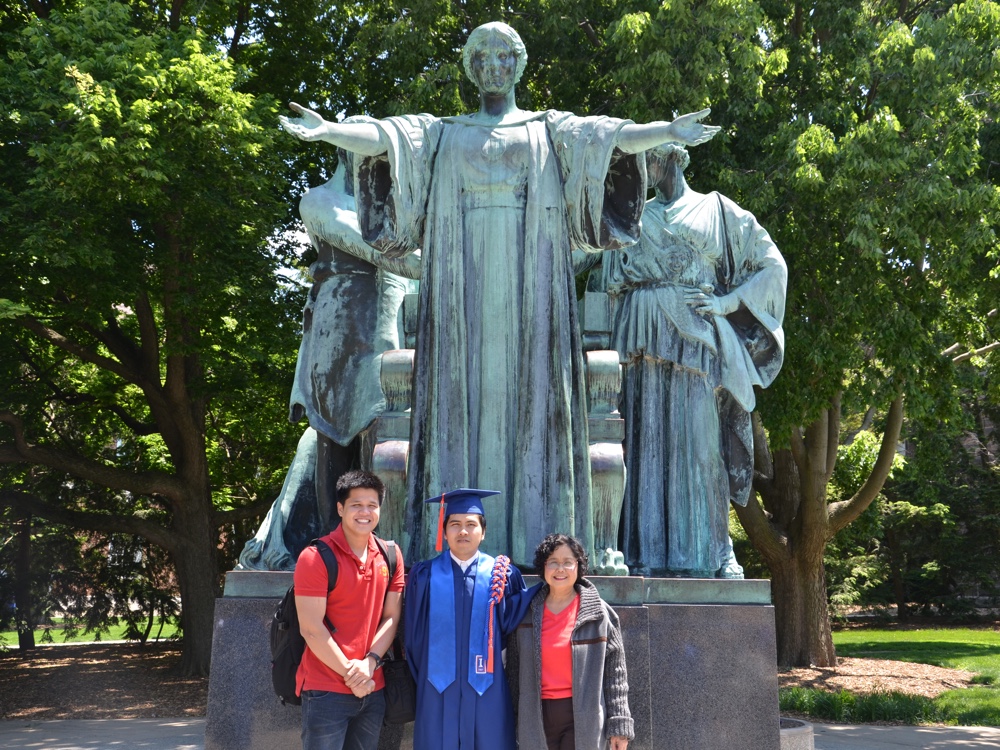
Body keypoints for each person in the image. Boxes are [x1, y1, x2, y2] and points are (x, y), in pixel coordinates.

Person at [279, 21, 721, 566]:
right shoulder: (443, 133)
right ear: (471, 67)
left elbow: (608, 137)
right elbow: (386, 138)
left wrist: (665, 129)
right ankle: (453, 546)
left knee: (534, 400)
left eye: (503, 56)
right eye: (482, 56)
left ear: (518, 64)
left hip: (530, 286)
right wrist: (329, 131)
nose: (493, 65)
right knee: (460, 398)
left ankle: (540, 541)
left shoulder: (548, 130)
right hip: (462, 287)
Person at [601, 144, 786, 576]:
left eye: (648, 160)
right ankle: (644, 554)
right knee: (645, 445)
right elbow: (591, 265)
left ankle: (714, 552)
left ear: (672, 160)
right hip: (640, 336)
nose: (641, 169)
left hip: (696, 339)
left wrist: (728, 303)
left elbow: (772, 265)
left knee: (700, 445)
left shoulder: (717, 211)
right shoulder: (631, 217)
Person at [238, 134, 420, 571]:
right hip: (338, 322)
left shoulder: (394, 207)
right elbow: (379, 249)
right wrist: (430, 257)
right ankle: (328, 548)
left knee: (385, 427)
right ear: (347, 152)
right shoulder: (319, 201)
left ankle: (383, 551)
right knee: (332, 435)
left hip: (388, 317)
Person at [404, 489, 535, 750]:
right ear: (444, 532)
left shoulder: (501, 575)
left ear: (483, 532)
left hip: (487, 685)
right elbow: (413, 637)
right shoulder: (425, 577)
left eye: (470, 525)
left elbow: (512, 625)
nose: (463, 531)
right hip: (436, 686)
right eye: (455, 524)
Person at [294, 470, 405, 750]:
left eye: (372, 505)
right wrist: (351, 675)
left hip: (372, 685)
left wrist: (368, 665)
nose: (365, 512)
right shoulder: (315, 557)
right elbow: (310, 627)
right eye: (356, 505)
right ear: (341, 508)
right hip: (325, 689)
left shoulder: (391, 555)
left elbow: (392, 617)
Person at [510, 533, 633, 750]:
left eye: (568, 562)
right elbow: (513, 671)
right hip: (536, 716)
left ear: (578, 566)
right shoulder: (526, 613)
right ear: (543, 567)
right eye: (553, 562)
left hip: (583, 717)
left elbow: (616, 675)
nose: (560, 569)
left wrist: (620, 726)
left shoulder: (599, 615)